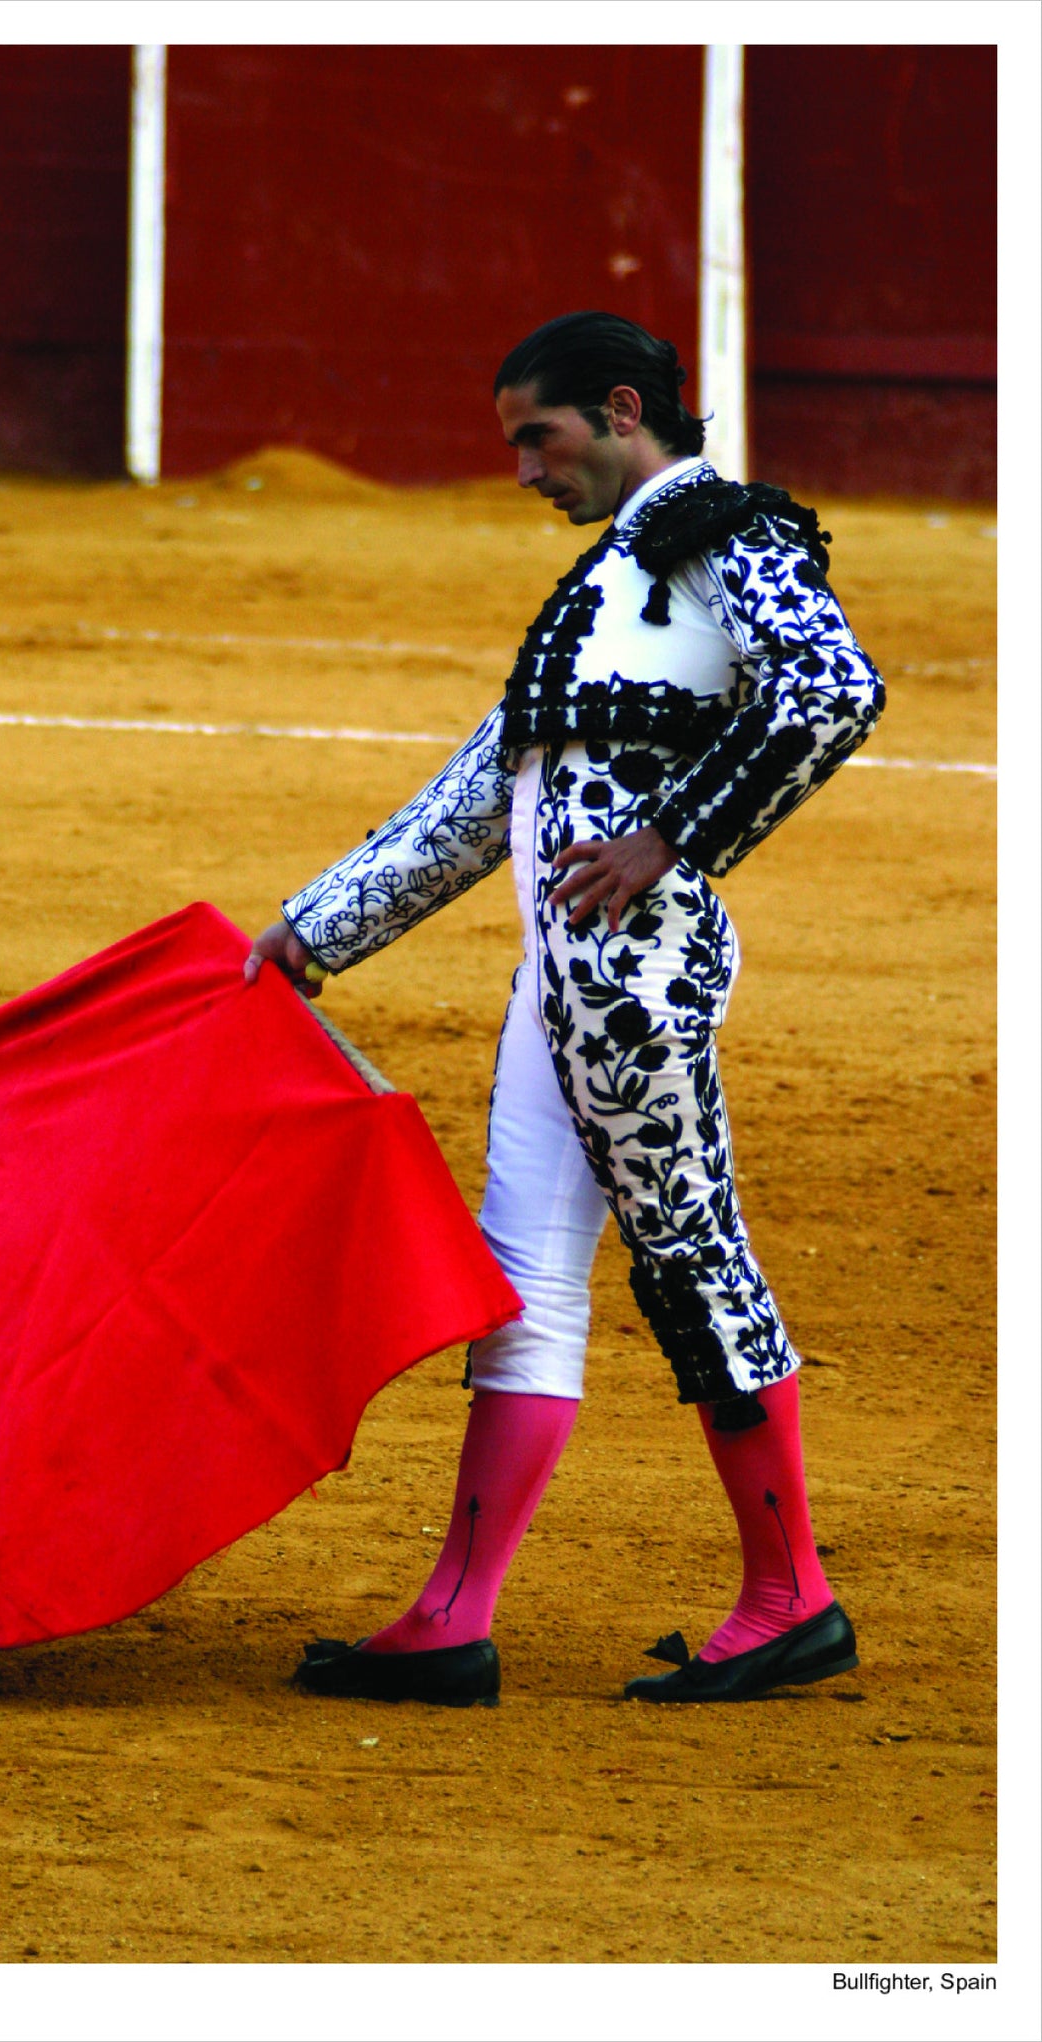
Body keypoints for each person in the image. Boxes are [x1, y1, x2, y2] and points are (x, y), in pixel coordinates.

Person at [244, 311, 885, 1708]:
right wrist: (310, 934)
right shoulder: (616, 575)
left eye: (536, 436)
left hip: (634, 978)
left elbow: (832, 688)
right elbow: (484, 796)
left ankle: (791, 1596)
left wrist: (673, 833)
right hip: (561, 985)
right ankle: (452, 1615)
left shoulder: (721, 533)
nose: (522, 468)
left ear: (616, 408)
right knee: (519, 1285)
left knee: (690, 1260)